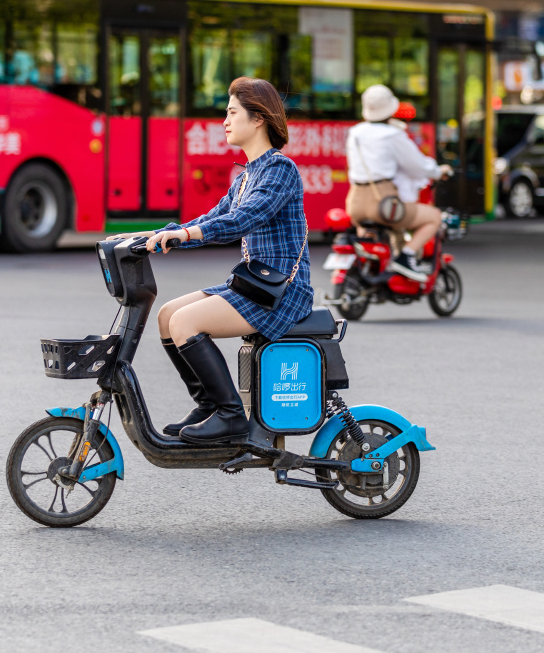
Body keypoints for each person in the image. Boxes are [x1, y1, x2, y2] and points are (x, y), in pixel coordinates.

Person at [108, 77, 313, 445]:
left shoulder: (280, 170)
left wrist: (184, 236)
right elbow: (208, 221)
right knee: (168, 315)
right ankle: (208, 406)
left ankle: (232, 417)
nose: (225, 121)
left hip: (282, 291)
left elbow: (242, 220)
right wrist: (149, 237)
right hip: (255, 284)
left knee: (187, 322)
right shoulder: (247, 175)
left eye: (233, 112)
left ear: (258, 119)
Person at [345, 84, 453, 281]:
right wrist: (439, 171)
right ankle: (406, 257)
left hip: (355, 204)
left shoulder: (355, 133)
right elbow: (418, 166)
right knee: (434, 217)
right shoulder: (393, 135)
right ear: (391, 109)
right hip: (383, 204)